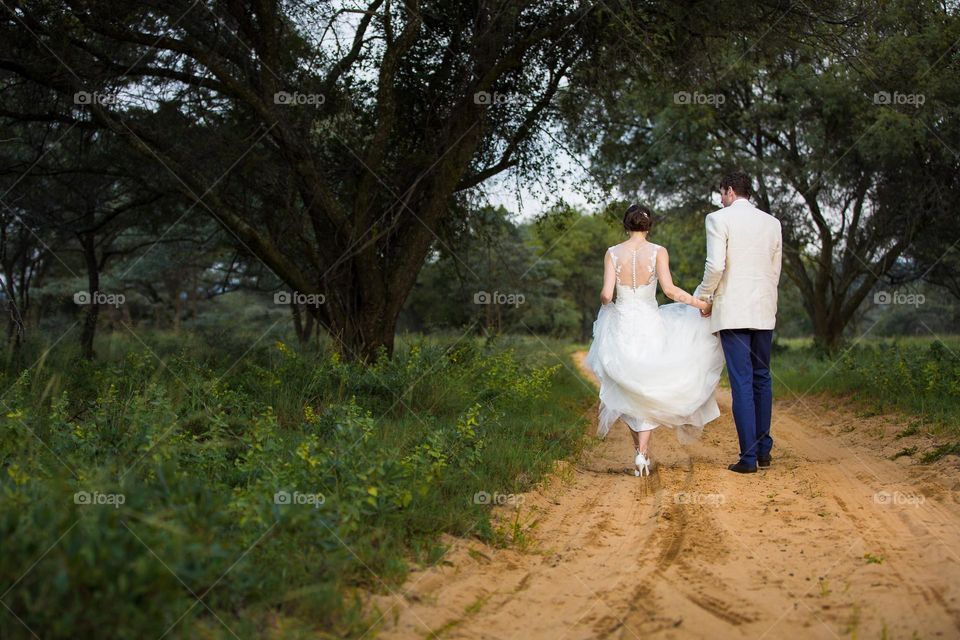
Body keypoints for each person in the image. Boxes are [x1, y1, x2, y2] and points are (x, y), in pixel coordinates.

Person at [584, 203, 724, 477]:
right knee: (647, 385)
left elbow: (606, 295)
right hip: (650, 323)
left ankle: (640, 453)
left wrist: (607, 302)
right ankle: (642, 454)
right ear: (649, 227)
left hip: (622, 323)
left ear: (626, 225)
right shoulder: (658, 251)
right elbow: (670, 291)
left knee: (626, 387)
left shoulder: (612, 253)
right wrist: (699, 304)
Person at [693, 170, 783, 474]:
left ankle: (748, 458)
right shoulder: (773, 223)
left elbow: (715, 265)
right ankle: (764, 451)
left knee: (742, 381)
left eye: (722, 193)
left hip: (733, 310)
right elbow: (774, 272)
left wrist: (703, 296)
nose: (720, 199)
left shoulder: (719, 218)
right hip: (763, 308)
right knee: (762, 377)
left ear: (730, 191)